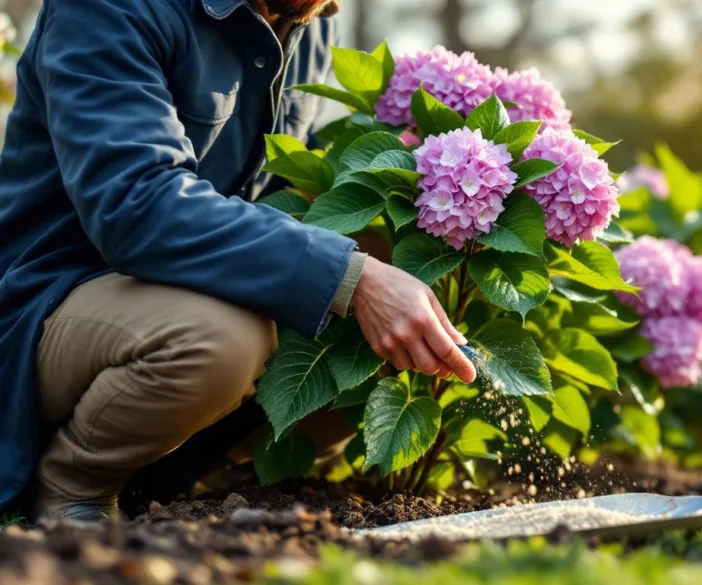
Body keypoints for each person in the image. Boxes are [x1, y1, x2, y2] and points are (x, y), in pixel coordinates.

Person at [0, 0, 476, 523]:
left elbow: (287, 171)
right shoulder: (108, 8)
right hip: (51, 303)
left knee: (400, 253)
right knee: (221, 339)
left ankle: (193, 472)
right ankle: (72, 491)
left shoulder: (306, 19)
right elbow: (135, 205)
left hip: (179, 286)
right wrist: (355, 280)